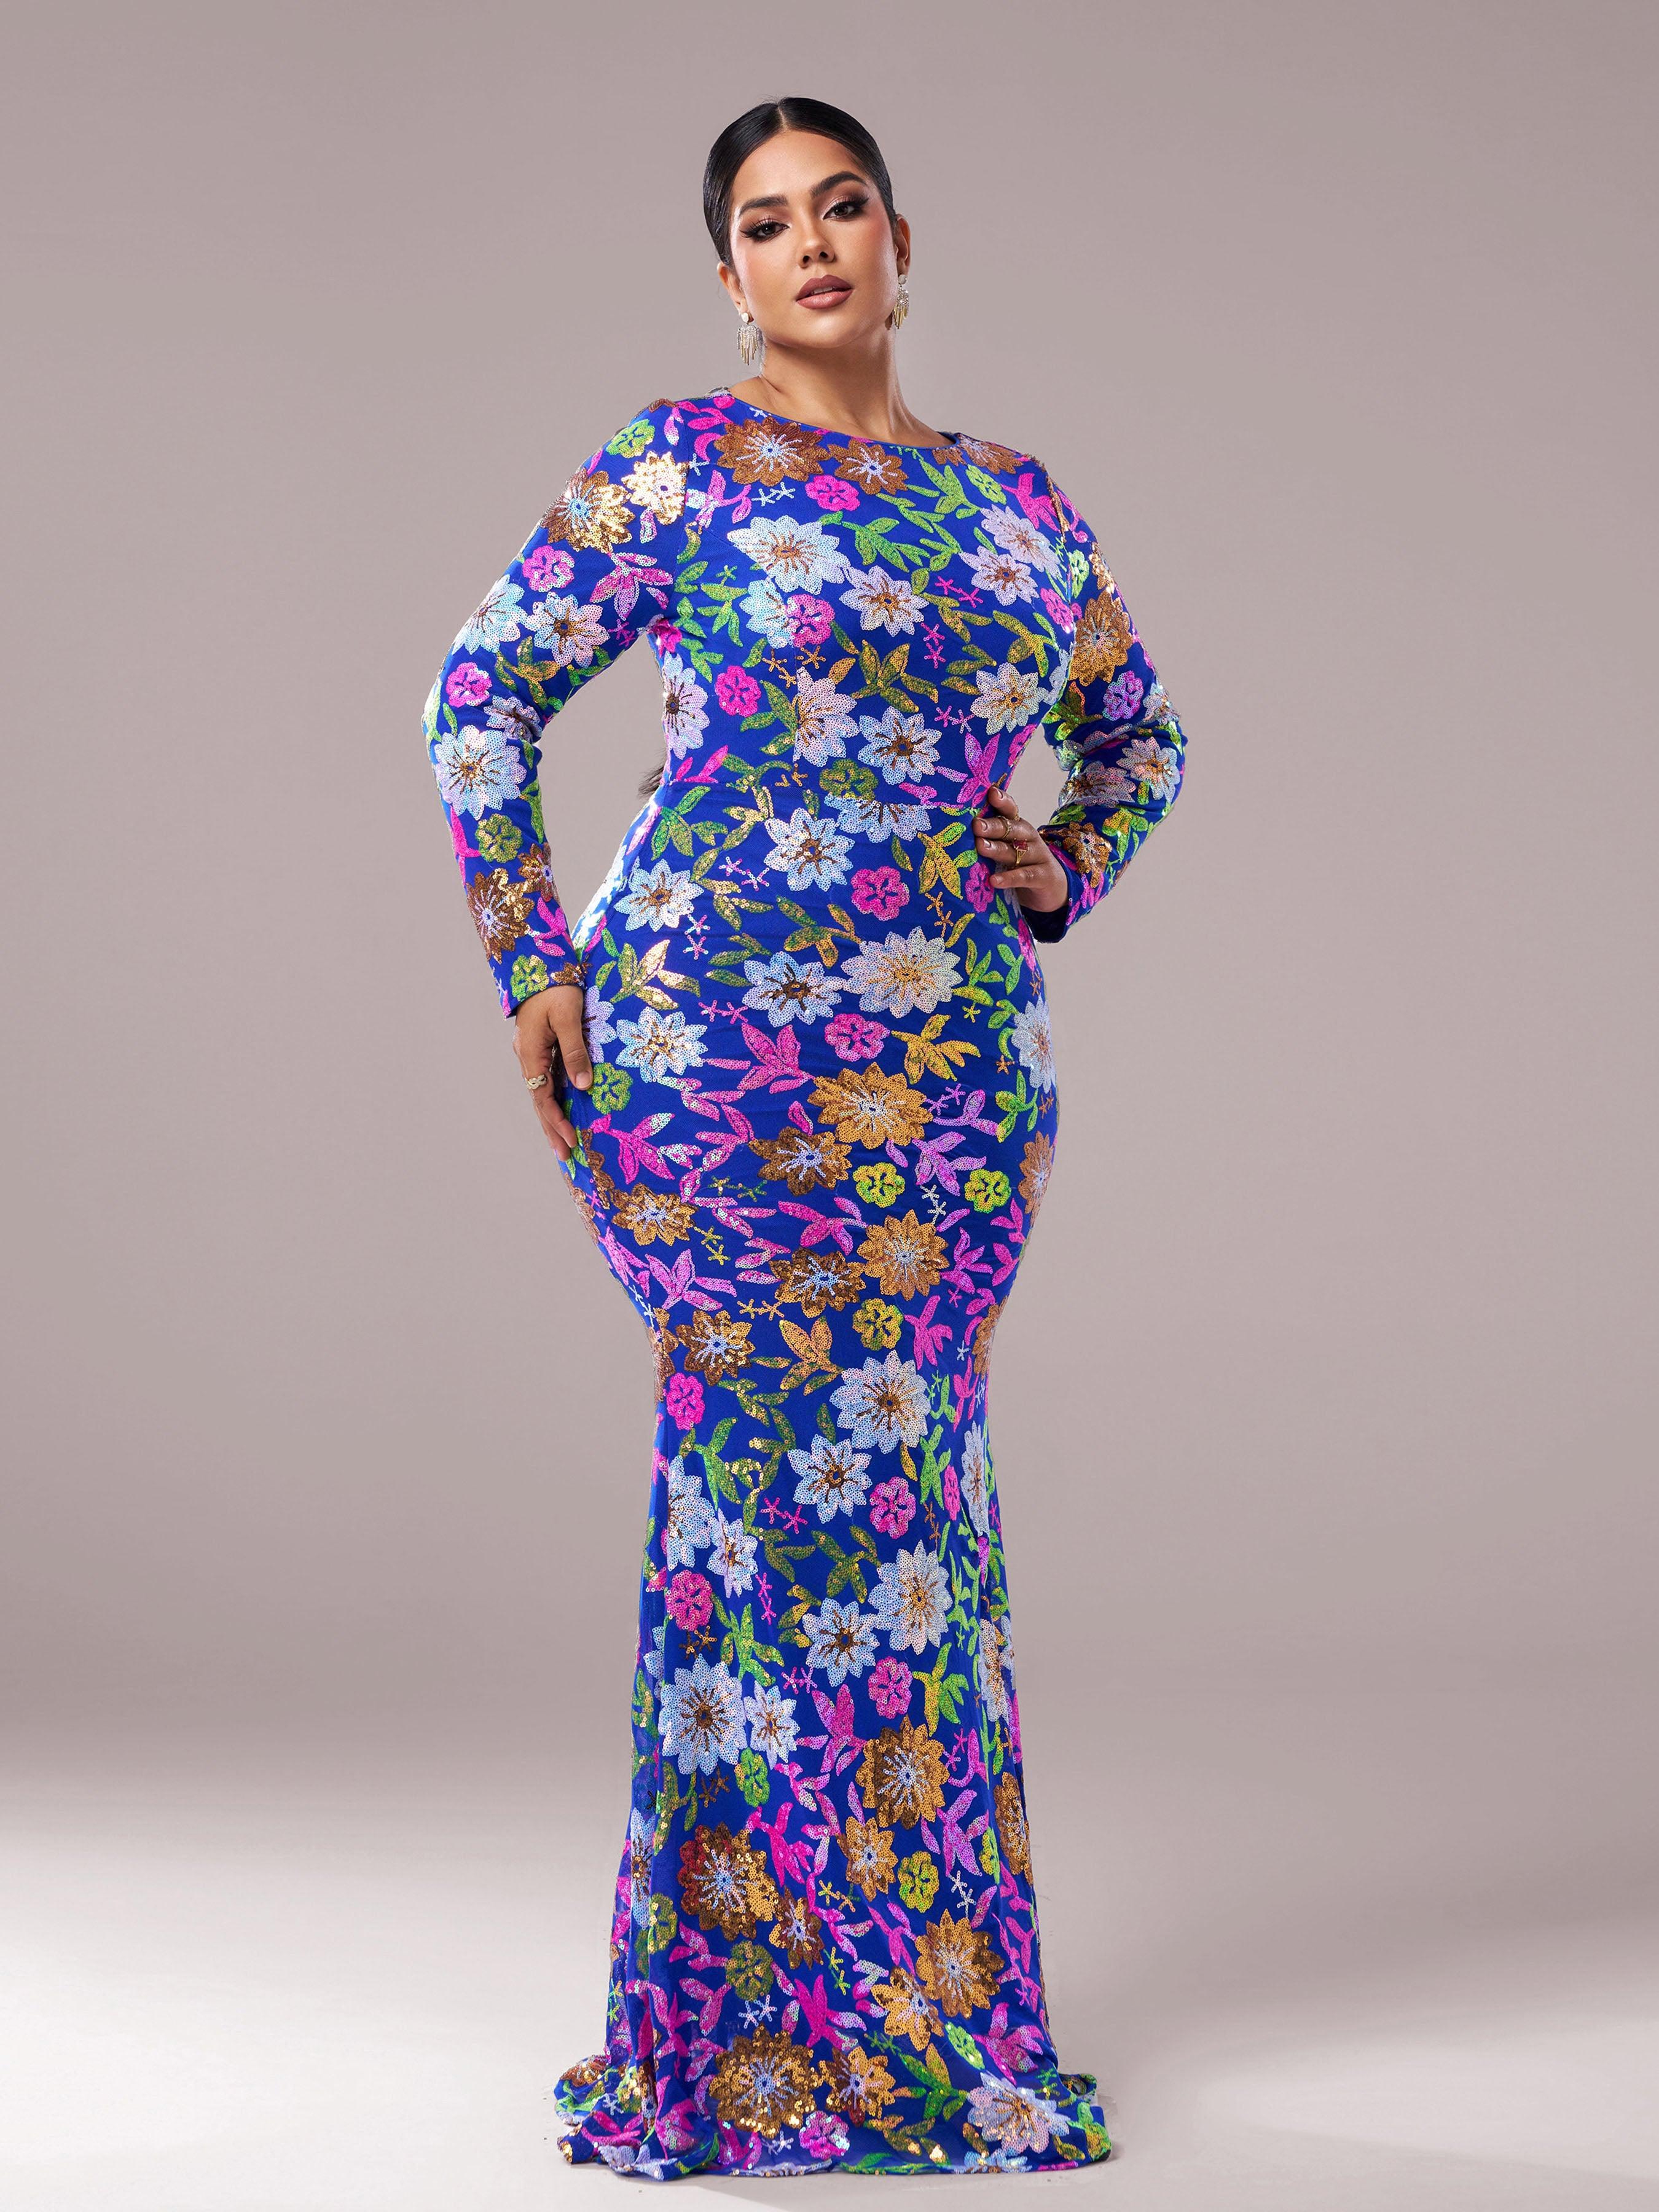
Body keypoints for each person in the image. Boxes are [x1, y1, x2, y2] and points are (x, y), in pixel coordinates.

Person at [423, 95, 1187, 2179]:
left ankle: (920, 2023)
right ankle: (729, 2042)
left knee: (908, 1522)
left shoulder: (1011, 503)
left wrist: (1065, 862)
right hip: (714, 1060)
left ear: (900, 240)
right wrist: (529, 954)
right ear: (729, 276)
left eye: (841, 206)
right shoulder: (674, 464)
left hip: (947, 1083)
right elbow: (479, 695)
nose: (812, 244)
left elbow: (1140, 731)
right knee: (764, 1510)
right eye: (766, 223)